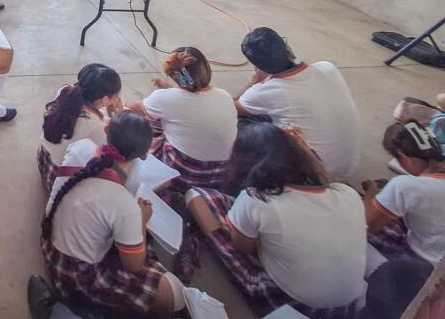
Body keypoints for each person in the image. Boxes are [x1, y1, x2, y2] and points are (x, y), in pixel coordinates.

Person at [186, 122, 367, 316]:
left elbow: (243, 248)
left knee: (195, 197)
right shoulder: (347, 192)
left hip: (290, 302)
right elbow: (322, 179)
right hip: (352, 304)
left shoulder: (256, 199)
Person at [40, 111, 185, 316]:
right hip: (76, 275)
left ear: (106, 130)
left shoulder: (81, 147)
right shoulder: (125, 206)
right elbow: (134, 265)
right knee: (176, 294)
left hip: (51, 244)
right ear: (144, 155)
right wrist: (142, 221)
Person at [235, 27, 360, 179]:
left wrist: (254, 82)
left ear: (258, 67)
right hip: (347, 166)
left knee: (242, 124)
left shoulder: (265, 91)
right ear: (288, 49)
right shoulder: (327, 67)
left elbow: (232, 109)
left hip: (316, 175)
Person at [130, 47, 236, 190]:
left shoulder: (164, 98)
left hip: (183, 174)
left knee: (146, 121)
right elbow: (189, 99)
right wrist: (170, 91)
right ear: (206, 69)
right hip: (222, 174)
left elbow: (136, 108)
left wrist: (122, 103)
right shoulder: (224, 95)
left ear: (172, 74)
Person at [363, 121, 445, 269]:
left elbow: (367, 227)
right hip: (439, 251)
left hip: (426, 261)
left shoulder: (404, 186)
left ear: (403, 157)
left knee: (352, 233)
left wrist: (371, 193)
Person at [38, 64, 123, 191]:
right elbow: (107, 152)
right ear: (105, 99)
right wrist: (117, 115)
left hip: (43, 156)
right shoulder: (95, 126)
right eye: (115, 96)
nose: (116, 99)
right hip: (58, 175)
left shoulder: (66, 90)